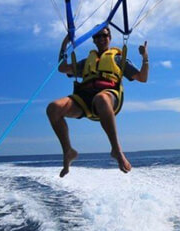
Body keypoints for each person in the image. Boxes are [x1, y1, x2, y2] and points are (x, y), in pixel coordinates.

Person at [46, 26, 149, 177]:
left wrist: (145, 57)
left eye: (104, 36)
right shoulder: (87, 61)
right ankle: (68, 151)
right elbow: (62, 68)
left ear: (110, 38)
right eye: (97, 37)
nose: (101, 39)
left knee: (101, 98)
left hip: (109, 96)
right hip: (84, 100)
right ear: (93, 40)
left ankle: (116, 150)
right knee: (53, 108)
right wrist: (64, 44)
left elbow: (142, 78)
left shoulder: (118, 59)